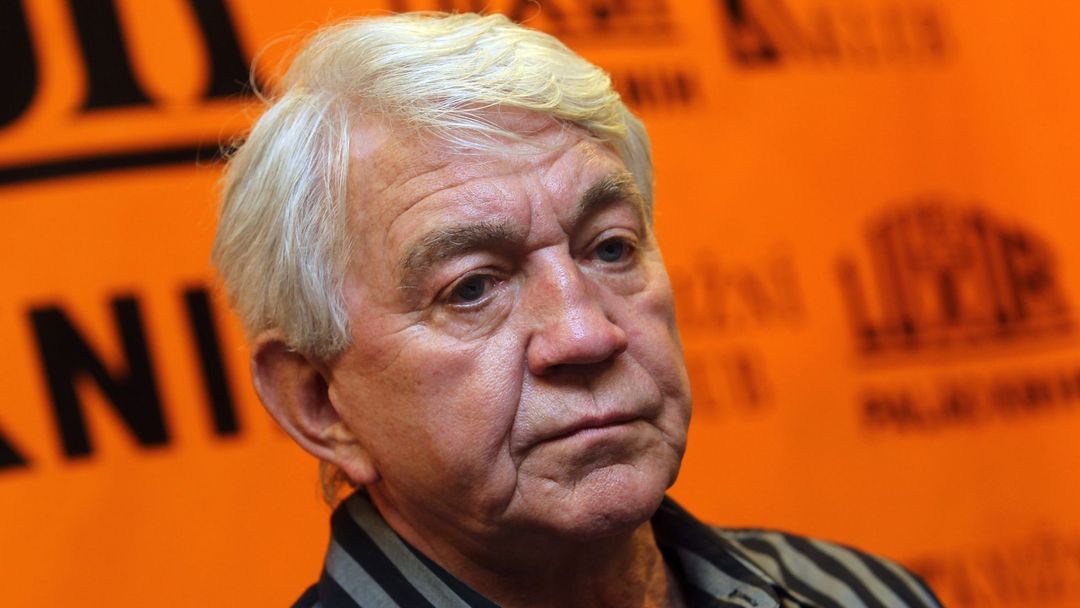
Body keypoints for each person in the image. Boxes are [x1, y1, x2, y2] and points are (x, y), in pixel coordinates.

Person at [212, 12, 942, 608]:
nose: (587, 333)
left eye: (611, 248)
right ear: (319, 402)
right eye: (472, 288)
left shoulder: (864, 595)